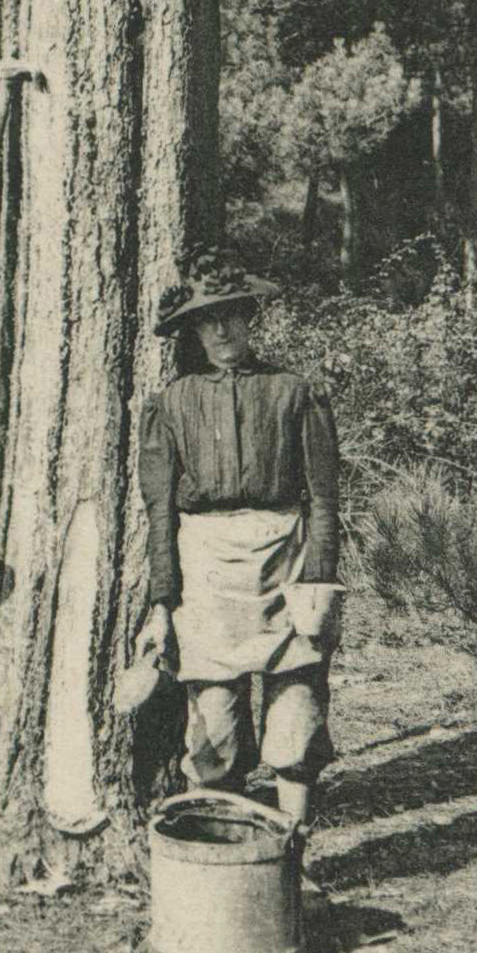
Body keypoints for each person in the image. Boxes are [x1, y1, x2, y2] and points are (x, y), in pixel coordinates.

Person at [135, 250, 342, 836]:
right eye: (208, 320)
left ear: (250, 318)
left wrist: (319, 581)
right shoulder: (172, 405)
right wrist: (162, 601)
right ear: (193, 332)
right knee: (215, 729)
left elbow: (323, 496)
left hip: (287, 560)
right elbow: (158, 511)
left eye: (231, 315)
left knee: (296, 713)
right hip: (206, 571)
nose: (222, 331)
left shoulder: (294, 393)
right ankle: (229, 851)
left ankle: (293, 854)